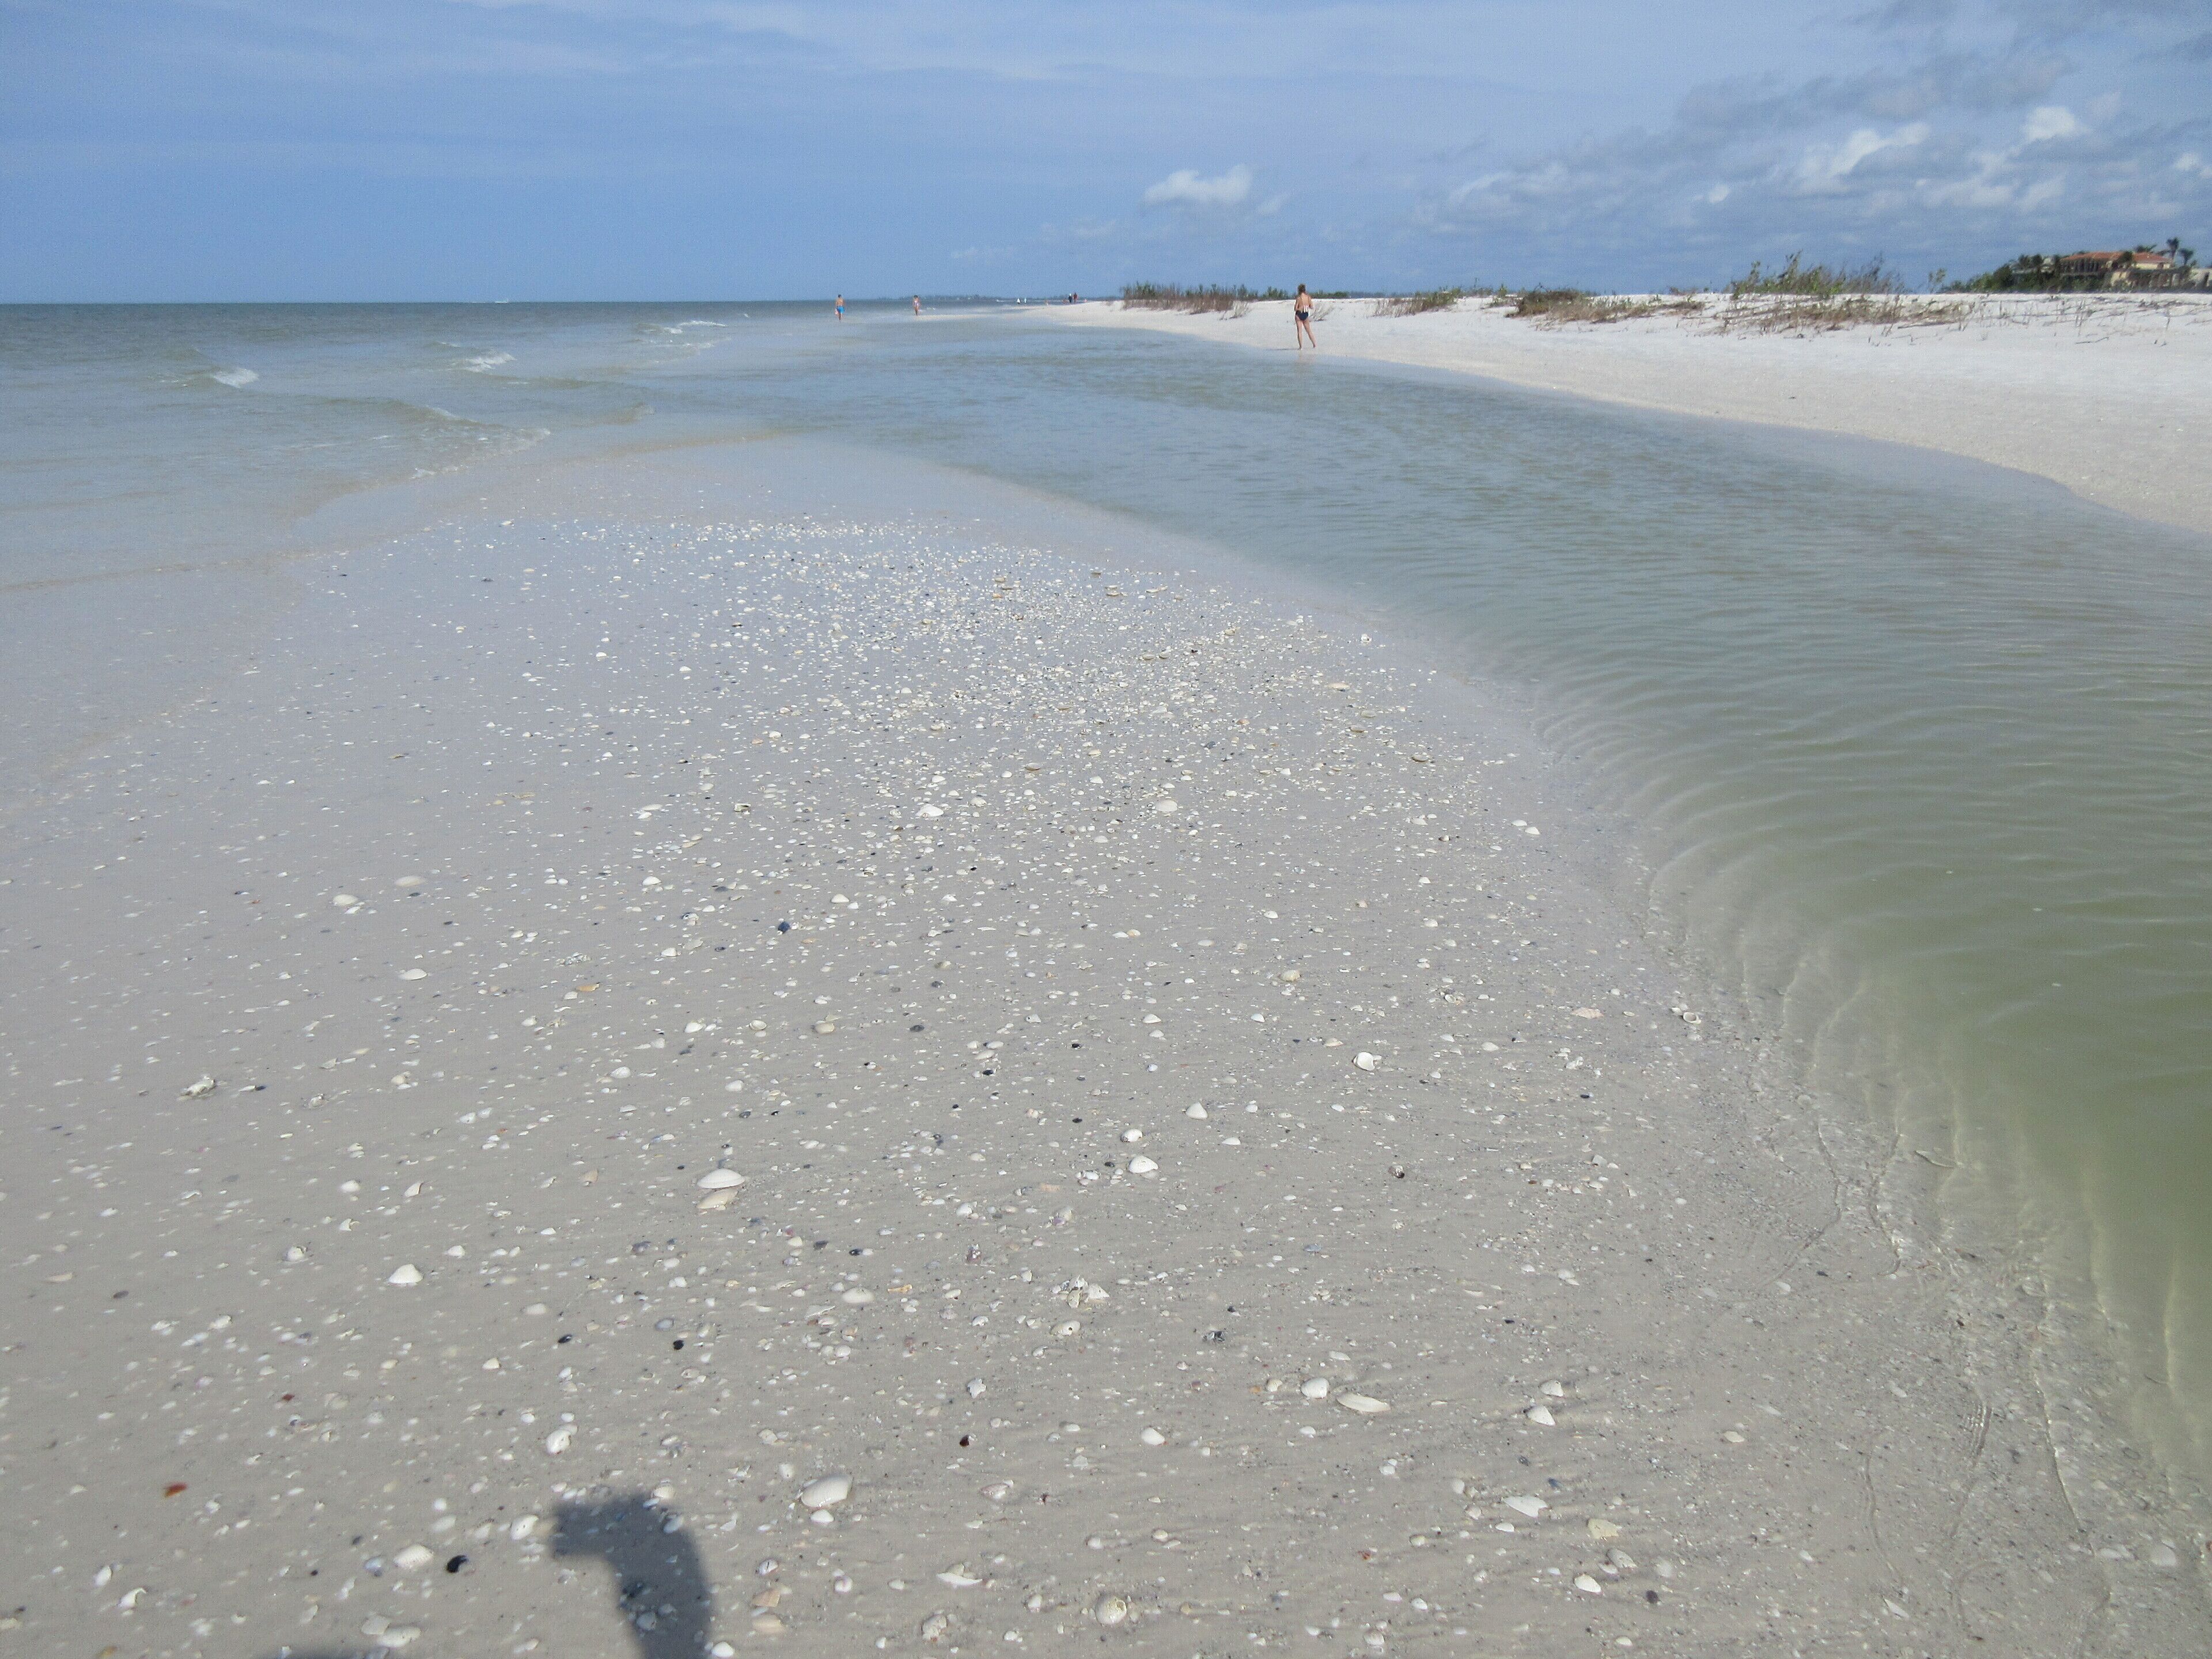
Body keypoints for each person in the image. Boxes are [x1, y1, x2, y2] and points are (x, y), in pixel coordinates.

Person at [1294, 285, 1317, 351]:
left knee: (1299, 332)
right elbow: (1312, 307)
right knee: (1309, 331)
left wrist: (1300, 308)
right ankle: (1314, 344)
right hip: (1306, 314)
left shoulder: (1299, 298)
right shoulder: (1308, 297)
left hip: (1299, 315)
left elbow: (1295, 308)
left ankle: (1301, 347)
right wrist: (1306, 306)